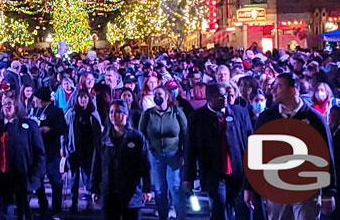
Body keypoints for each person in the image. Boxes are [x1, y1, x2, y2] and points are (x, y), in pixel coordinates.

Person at [244, 73, 337, 220]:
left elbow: (327, 155)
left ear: (293, 90)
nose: (273, 91)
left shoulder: (314, 119)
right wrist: (249, 186)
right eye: (273, 87)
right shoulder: (267, 118)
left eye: (279, 87)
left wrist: (329, 192)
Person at [184, 83, 253, 220]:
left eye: (226, 95)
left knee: (240, 208)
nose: (225, 98)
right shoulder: (197, 118)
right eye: (220, 96)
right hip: (213, 172)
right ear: (209, 98)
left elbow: (249, 141)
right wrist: (188, 177)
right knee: (219, 208)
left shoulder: (240, 113)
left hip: (238, 171)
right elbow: (190, 149)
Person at [91, 100, 152, 220]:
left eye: (118, 112)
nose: (114, 115)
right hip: (109, 191)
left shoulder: (136, 138)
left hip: (131, 192)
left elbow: (145, 164)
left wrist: (147, 188)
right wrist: (94, 189)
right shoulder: (103, 139)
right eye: (111, 112)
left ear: (126, 114)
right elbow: (97, 165)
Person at [0, 92, 46, 220]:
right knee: (5, 211)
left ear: (17, 106)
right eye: (4, 104)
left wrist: (34, 175)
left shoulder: (30, 125)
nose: (7, 106)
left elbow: (40, 153)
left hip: (24, 177)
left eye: (10, 103)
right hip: (3, 177)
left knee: (24, 212)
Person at [138, 86, 187, 220]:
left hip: (174, 155)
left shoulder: (176, 113)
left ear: (166, 97)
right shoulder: (148, 114)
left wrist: (184, 154)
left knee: (175, 188)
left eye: (159, 94)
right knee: (159, 190)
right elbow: (140, 136)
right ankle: (163, 216)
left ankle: (181, 216)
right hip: (155, 155)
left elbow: (185, 133)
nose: (156, 97)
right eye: (155, 94)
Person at [63, 89, 103, 212]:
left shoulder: (93, 113)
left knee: (88, 177)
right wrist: (63, 148)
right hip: (74, 150)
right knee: (74, 178)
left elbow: (98, 133)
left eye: (85, 97)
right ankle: (74, 202)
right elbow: (65, 131)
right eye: (81, 98)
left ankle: (89, 201)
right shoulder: (71, 113)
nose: (83, 100)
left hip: (88, 150)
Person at [31, 87, 67, 219]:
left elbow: (63, 128)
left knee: (55, 181)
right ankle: (43, 206)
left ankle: (56, 209)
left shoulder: (56, 111)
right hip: (38, 152)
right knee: (38, 181)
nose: (33, 99)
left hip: (51, 152)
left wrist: (48, 129)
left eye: (35, 97)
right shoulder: (34, 110)